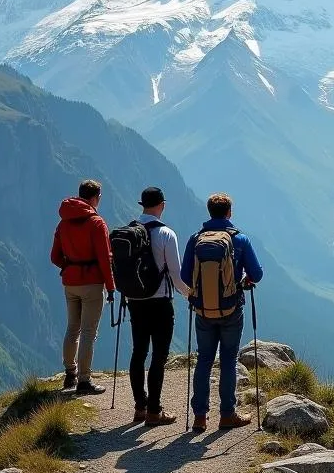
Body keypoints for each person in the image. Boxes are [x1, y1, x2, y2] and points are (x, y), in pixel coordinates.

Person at [180, 193, 263, 433]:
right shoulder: (240, 240)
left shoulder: (196, 239)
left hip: (203, 309)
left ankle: (199, 416)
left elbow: (185, 277)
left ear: (209, 212)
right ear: (229, 212)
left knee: (204, 358)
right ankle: (227, 414)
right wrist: (243, 281)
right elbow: (256, 274)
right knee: (229, 358)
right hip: (231, 308)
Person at [124, 187, 191, 426]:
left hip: (135, 300)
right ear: (162, 205)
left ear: (142, 204)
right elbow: (175, 272)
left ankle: (140, 408)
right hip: (161, 302)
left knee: (138, 352)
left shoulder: (130, 230)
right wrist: (189, 295)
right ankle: (154, 410)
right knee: (158, 356)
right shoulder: (166, 234)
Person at [50, 179, 115, 395]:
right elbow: (105, 258)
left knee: (72, 328)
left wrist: (70, 267)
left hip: (70, 282)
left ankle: (70, 373)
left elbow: (55, 257)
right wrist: (111, 286)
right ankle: (84, 382)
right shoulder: (97, 223)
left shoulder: (63, 222)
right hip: (92, 283)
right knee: (88, 332)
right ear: (96, 197)